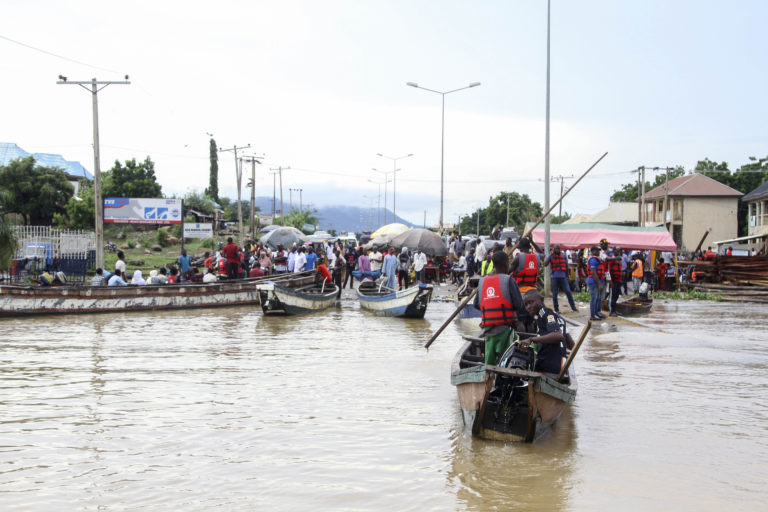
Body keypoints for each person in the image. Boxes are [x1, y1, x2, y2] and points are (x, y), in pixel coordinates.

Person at [472, 251, 525, 366]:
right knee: (506, 362)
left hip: (487, 330)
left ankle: (488, 380)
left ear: (494, 264)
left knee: (489, 362)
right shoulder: (509, 280)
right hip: (505, 329)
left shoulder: (482, 281)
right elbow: (519, 305)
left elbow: (476, 304)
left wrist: (490, 304)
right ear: (505, 264)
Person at [519, 290, 570, 375]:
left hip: (549, 366)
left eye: (531, 302)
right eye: (526, 305)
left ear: (542, 300)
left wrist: (531, 339)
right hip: (560, 366)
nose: (528, 307)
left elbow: (558, 336)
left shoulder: (544, 313)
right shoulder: (559, 318)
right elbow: (571, 344)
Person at [543, 243, 578, 313]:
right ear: (554, 249)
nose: (557, 250)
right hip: (554, 277)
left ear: (560, 249)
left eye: (558, 248)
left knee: (568, 291)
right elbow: (545, 264)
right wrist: (550, 255)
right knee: (555, 294)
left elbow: (566, 266)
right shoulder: (551, 256)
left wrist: (568, 277)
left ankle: (573, 307)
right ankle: (556, 309)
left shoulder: (564, 255)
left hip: (563, 277)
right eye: (556, 248)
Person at [587, 246, 605, 321]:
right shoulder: (593, 260)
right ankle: (592, 315)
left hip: (596, 281)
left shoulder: (596, 259)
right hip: (593, 282)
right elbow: (593, 273)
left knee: (597, 298)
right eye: (597, 251)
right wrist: (599, 284)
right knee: (594, 298)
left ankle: (596, 313)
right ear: (593, 251)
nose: (598, 252)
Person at [607, 248, 623, 316]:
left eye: (619, 251)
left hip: (618, 280)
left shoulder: (619, 260)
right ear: (614, 252)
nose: (618, 252)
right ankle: (611, 311)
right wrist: (610, 281)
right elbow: (609, 269)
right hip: (613, 280)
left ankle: (614, 310)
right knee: (612, 296)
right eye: (617, 251)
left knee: (616, 296)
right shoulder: (612, 259)